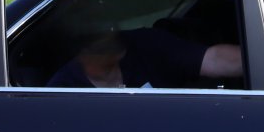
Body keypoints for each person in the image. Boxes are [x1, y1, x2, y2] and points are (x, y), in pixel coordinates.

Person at [47, 25, 242, 89]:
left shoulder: (144, 44)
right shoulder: (63, 90)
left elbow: (212, 59)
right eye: (99, 34)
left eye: (111, 27)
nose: (113, 35)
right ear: (82, 51)